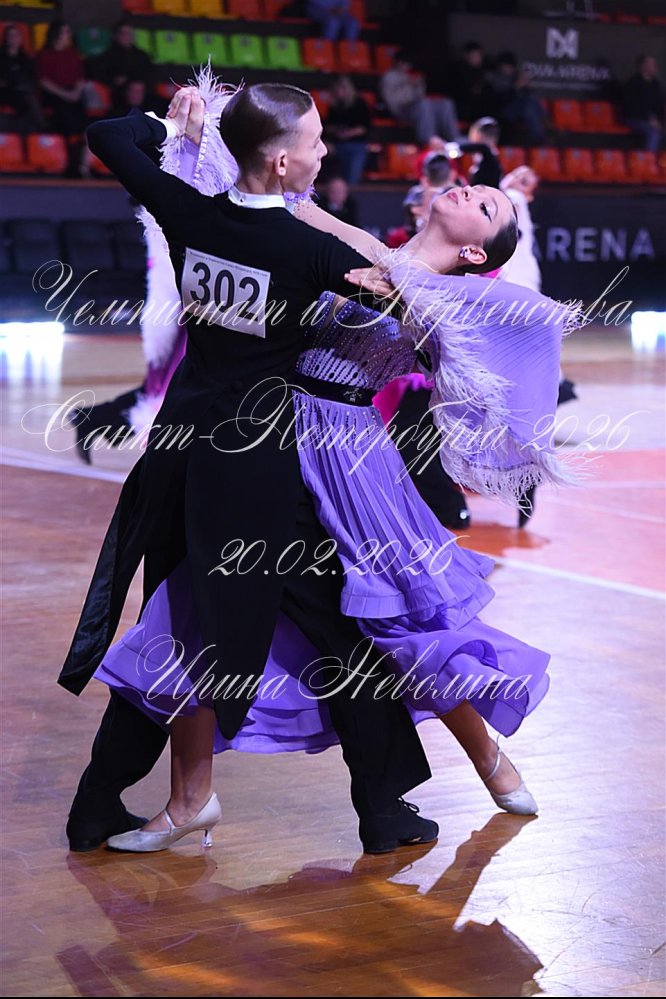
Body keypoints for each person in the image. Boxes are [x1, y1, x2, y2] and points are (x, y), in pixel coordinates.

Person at [88, 80, 578, 854]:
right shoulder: (356, 247)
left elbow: (514, 343)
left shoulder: (442, 303)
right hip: (274, 440)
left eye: (486, 204)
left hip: (350, 464)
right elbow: (276, 203)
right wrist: (204, 130)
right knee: (199, 608)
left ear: (476, 252)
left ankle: (489, 757)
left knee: (407, 627)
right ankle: (191, 798)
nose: (469, 188)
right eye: (474, 186)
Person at [58, 80, 438, 856]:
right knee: (338, 625)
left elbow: (105, 135)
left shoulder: (190, 214)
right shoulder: (306, 250)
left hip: (179, 450)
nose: (325, 152)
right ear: (283, 161)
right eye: (316, 141)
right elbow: (411, 304)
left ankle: (98, 803)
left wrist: (172, 126)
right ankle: (384, 807)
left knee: (174, 622)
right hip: (255, 469)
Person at [499, 165, 578, 526]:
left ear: (527, 192)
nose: (516, 179)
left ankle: (524, 476)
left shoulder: (511, 201)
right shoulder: (507, 210)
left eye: (524, 179)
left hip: (515, 309)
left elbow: (507, 192)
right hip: (515, 308)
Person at [35, 20, 89, 176]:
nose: (68, 35)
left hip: (73, 94)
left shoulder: (72, 54)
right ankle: (71, 163)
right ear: (56, 34)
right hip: (55, 95)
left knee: (84, 119)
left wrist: (76, 92)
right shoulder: (44, 54)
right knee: (66, 117)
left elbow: (80, 77)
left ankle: (82, 165)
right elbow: (43, 81)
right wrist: (64, 94)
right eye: (66, 32)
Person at [380, 50, 461, 146]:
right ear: (396, 62)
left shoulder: (412, 76)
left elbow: (420, 95)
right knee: (424, 104)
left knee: (446, 103)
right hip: (400, 110)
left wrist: (417, 86)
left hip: (415, 107)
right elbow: (392, 100)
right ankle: (429, 138)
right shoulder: (389, 77)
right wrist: (409, 86)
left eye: (407, 63)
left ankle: (454, 137)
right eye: (402, 62)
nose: (405, 65)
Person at [90, 20, 155, 110]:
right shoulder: (108, 55)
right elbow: (98, 73)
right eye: (124, 34)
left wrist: (141, 84)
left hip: (142, 90)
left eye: (130, 34)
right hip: (118, 92)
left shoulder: (141, 55)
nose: (128, 37)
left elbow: (151, 72)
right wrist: (114, 80)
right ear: (116, 35)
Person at [323, 75, 371, 184]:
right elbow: (328, 127)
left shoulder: (359, 104)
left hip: (356, 145)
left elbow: (364, 127)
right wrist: (337, 131)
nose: (340, 92)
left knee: (352, 179)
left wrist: (349, 133)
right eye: (337, 90)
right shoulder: (334, 107)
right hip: (338, 145)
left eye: (342, 89)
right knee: (337, 177)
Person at [0, 23, 46, 131]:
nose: (13, 38)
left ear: (20, 38)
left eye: (16, 35)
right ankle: (42, 127)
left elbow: (32, 77)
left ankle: (34, 131)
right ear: (6, 39)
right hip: (6, 91)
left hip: (23, 91)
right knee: (29, 100)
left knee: (29, 96)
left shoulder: (25, 58)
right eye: (10, 35)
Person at [622, 55, 664, 153]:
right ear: (643, 66)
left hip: (654, 120)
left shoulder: (656, 84)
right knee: (653, 131)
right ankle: (649, 159)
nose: (655, 67)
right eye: (651, 64)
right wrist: (650, 119)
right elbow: (631, 107)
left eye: (654, 64)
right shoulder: (633, 83)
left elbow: (659, 105)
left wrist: (660, 121)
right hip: (635, 118)